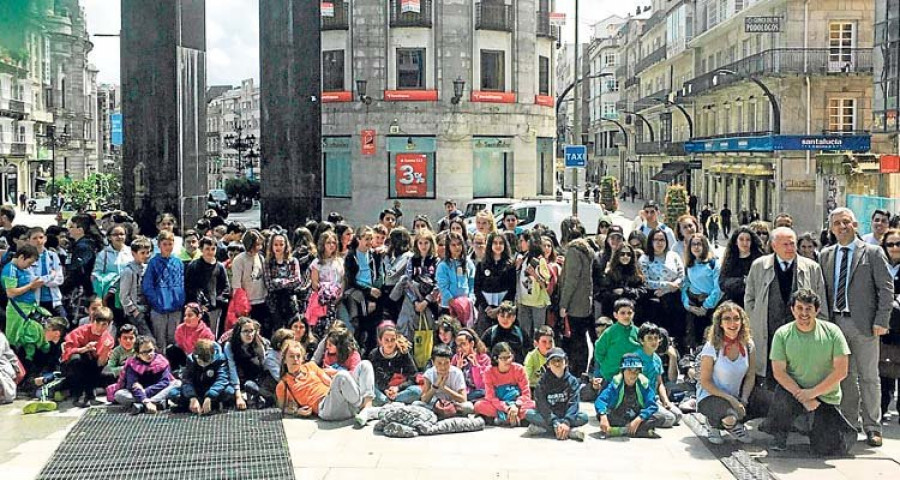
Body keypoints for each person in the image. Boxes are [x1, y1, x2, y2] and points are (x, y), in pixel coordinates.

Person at [820, 207, 893, 447]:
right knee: (845, 377)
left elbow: (886, 289)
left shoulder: (872, 253)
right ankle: (849, 423)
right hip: (836, 324)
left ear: (855, 225)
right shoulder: (826, 255)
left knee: (869, 377)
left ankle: (873, 426)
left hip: (865, 325)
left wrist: (882, 320)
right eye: (837, 223)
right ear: (831, 228)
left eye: (846, 222)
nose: (842, 226)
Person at [768, 289, 856, 455]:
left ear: (817, 310)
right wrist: (803, 396)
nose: (804, 313)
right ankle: (779, 436)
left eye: (808, 308)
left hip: (824, 396)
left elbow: (841, 371)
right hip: (794, 393)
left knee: (827, 449)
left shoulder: (833, 332)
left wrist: (813, 393)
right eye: (799, 308)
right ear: (792, 310)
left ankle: (812, 427)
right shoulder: (782, 334)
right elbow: (779, 372)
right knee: (781, 394)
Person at [745, 227, 827, 404]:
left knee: (798, 373)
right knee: (770, 373)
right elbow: (749, 297)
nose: (790, 247)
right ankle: (772, 416)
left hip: (800, 332)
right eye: (785, 244)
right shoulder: (759, 266)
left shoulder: (812, 267)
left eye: (792, 243)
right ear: (774, 245)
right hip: (768, 330)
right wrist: (755, 319)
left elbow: (821, 302)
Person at [275, 340, 377, 426]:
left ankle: (367, 407)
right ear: (284, 360)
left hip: (339, 399)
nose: (296, 359)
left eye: (298, 356)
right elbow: (282, 408)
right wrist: (297, 412)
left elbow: (329, 382)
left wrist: (344, 386)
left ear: (302, 358)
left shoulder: (311, 366)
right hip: (325, 408)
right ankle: (362, 406)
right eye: (291, 356)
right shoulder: (283, 384)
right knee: (342, 376)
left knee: (365, 364)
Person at [696, 303, 756, 444]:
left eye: (736, 318)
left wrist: (744, 399)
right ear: (720, 323)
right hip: (712, 395)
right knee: (729, 417)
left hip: (737, 394)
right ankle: (716, 423)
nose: (732, 323)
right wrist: (732, 400)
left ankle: (733, 419)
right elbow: (705, 382)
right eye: (727, 319)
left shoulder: (748, 345)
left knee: (768, 402)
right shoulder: (712, 346)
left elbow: (750, 375)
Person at [558, 216, 595, 376]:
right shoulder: (588, 249)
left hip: (575, 304)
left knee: (577, 339)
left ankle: (578, 371)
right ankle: (583, 370)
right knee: (583, 338)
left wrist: (563, 304)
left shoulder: (573, 251)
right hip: (586, 302)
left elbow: (571, 280)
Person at [525, 348, 588, 441]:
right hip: (549, 416)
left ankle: (545, 429)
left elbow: (574, 403)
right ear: (548, 365)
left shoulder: (573, 381)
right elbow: (542, 405)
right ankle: (569, 432)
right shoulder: (542, 382)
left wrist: (566, 422)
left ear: (566, 363)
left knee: (584, 417)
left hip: (565, 414)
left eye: (560, 360)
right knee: (529, 414)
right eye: (553, 361)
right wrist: (554, 421)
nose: (557, 364)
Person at [594, 353, 663, 438]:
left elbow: (652, 405)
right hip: (619, 417)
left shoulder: (643, 384)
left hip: (636, 417)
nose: (633, 374)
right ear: (623, 371)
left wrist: (639, 419)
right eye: (630, 370)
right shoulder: (616, 384)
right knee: (600, 415)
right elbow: (600, 400)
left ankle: (621, 431)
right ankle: (637, 431)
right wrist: (603, 416)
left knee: (660, 417)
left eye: (636, 370)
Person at [638, 227, 685, 346]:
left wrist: (667, 289)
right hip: (655, 299)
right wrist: (667, 285)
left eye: (662, 240)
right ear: (651, 241)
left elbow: (682, 275)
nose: (659, 243)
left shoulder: (673, 255)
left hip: (675, 296)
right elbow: (646, 281)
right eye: (656, 240)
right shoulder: (644, 259)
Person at [61, 306, 115, 407]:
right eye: (97, 324)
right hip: (73, 367)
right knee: (77, 359)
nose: (99, 328)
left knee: (108, 373)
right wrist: (84, 349)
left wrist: (105, 350)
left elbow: (100, 363)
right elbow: (67, 353)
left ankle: (91, 394)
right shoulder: (80, 332)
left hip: (92, 368)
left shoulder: (108, 339)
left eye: (104, 325)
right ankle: (79, 394)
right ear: (91, 321)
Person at [111, 336, 179, 414]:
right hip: (138, 394)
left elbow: (165, 382)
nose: (149, 354)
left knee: (177, 384)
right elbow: (132, 385)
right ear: (137, 354)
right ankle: (156, 403)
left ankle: (143, 405)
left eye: (150, 350)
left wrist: (145, 392)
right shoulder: (132, 364)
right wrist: (144, 399)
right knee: (119, 394)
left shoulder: (161, 361)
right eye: (144, 352)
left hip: (157, 391)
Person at [142, 230, 186, 350]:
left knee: (174, 340)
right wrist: (156, 302)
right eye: (164, 244)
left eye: (170, 244)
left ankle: (174, 366)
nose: (167, 247)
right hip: (159, 308)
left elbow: (182, 283)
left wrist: (180, 301)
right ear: (159, 245)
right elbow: (147, 286)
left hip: (176, 308)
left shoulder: (178, 262)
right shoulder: (153, 263)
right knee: (160, 341)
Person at [473, 342, 535, 427]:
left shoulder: (519, 369)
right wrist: (507, 408)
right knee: (479, 405)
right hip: (499, 405)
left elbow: (526, 393)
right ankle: (516, 419)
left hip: (517, 404)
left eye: (509, 357)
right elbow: (490, 397)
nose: (508, 360)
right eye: (504, 358)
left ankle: (502, 419)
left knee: (533, 405)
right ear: (496, 359)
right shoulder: (488, 372)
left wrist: (515, 406)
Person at [344, 226, 385, 353]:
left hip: (373, 292)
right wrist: (368, 291)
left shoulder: (374, 255)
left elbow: (380, 275)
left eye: (370, 239)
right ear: (358, 239)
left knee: (374, 325)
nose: (369, 242)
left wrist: (373, 293)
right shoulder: (351, 256)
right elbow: (351, 281)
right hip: (359, 292)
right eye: (366, 239)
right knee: (361, 324)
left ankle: (371, 351)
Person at [635, 322, 682, 428]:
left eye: (656, 338)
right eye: (649, 338)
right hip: (639, 400)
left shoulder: (656, 359)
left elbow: (660, 383)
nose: (654, 341)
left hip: (654, 398)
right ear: (641, 340)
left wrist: (665, 401)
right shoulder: (636, 358)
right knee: (670, 419)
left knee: (678, 416)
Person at [169, 338, 235, 414]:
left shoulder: (220, 359)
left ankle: (210, 404)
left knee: (229, 391)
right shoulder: (191, 360)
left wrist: (210, 396)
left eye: (207, 362)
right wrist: (192, 397)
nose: (203, 365)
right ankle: (197, 404)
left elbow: (222, 379)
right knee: (173, 393)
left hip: (213, 390)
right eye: (201, 362)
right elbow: (187, 380)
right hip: (197, 390)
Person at [681, 233, 722, 350]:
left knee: (711, 337)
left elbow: (717, 288)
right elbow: (685, 284)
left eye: (699, 244)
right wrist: (686, 304)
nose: (696, 247)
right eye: (693, 244)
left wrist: (705, 306)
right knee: (694, 339)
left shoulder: (714, 264)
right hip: (693, 304)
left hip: (709, 305)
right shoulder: (689, 265)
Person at [184, 236, 230, 336]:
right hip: (198, 309)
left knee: (213, 334)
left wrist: (216, 302)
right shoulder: (194, 266)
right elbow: (190, 287)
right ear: (201, 249)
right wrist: (199, 306)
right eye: (207, 249)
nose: (210, 252)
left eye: (213, 249)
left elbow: (226, 288)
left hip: (215, 308)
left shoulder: (220, 267)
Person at [474, 232, 517, 335]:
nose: (498, 246)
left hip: (504, 309)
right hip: (485, 309)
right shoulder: (482, 264)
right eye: (495, 243)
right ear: (490, 245)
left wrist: (499, 309)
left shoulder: (510, 265)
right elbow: (477, 289)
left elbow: (512, 290)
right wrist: (487, 307)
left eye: (501, 243)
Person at [3, 244, 44, 353]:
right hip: (17, 309)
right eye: (29, 263)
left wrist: (34, 287)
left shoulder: (24, 269)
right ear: (21, 257)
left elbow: (27, 287)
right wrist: (30, 286)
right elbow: (11, 293)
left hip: (29, 307)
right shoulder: (10, 270)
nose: (29, 266)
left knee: (29, 339)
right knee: (15, 339)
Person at [368, 322, 421, 406]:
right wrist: (386, 390)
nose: (389, 343)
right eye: (386, 340)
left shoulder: (403, 353)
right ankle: (389, 402)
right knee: (369, 390)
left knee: (416, 391)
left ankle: (388, 402)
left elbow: (413, 375)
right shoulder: (374, 354)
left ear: (396, 339)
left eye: (392, 340)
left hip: (399, 390)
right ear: (380, 340)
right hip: (382, 391)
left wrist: (397, 388)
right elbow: (373, 377)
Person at [414, 344, 474, 416]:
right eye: (439, 363)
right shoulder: (429, 373)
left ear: (450, 362)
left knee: (468, 406)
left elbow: (463, 399)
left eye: (446, 363)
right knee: (416, 404)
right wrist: (436, 385)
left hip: (453, 405)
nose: (443, 367)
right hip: (435, 405)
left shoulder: (457, 373)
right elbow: (424, 400)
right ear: (433, 362)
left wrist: (444, 388)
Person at [224, 317, 270, 410]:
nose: (249, 334)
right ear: (239, 333)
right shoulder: (229, 346)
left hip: (254, 378)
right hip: (236, 379)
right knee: (228, 393)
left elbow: (264, 365)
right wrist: (238, 397)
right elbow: (232, 370)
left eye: (251, 331)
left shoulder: (259, 343)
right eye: (245, 331)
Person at [263, 231, 303, 336]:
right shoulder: (268, 263)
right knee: (278, 328)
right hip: (274, 301)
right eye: (275, 244)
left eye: (281, 244)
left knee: (292, 326)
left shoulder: (293, 261)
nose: (278, 247)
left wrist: (279, 281)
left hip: (290, 299)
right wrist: (286, 281)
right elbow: (269, 284)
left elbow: (297, 280)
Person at [879, 229, 900, 423]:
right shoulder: (879, 266)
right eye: (890, 244)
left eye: (898, 244)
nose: (894, 248)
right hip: (884, 329)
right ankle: (882, 408)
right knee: (884, 372)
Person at [593, 299, 640, 384]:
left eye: (629, 313)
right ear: (615, 315)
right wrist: (606, 365)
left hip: (632, 375)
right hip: (611, 375)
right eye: (622, 313)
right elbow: (599, 350)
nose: (626, 316)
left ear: (633, 314)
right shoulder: (610, 332)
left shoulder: (638, 332)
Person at [232, 230, 269, 334]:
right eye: (257, 244)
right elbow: (236, 285)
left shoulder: (260, 257)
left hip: (262, 300)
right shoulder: (239, 260)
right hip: (247, 302)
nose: (259, 247)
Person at [514, 231, 551, 338]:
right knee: (524, 333)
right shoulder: (523, 258)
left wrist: (534, 274)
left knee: (538, 334)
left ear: (529, 242)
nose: (520, 244)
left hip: (537, 303)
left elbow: (545, 284)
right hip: (523, 301)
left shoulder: (540, 260)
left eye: (522, 241)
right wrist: (517, 267)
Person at [718, 227, 765, 308]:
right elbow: (722, 283)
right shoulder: (730, 259)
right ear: (736, 242)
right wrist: (742, 281)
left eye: (748, 240)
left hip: (755, 303)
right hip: (734, 303)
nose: (745, 242)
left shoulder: (760, 259)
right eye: (741, 239)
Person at [436, 231, 475, 326]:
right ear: (448, 247)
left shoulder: (467, 262)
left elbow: (471, 282)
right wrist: (452, 301)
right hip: (448, 306)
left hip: (465, 305)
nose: (457, 247)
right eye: (453, 245)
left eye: (459, 244)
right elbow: (443, 286)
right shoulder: (443, 265)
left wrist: (471, 298)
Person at [596, 245, 646, 318]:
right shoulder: (610, 273)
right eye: (622, 254)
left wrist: (625, 291)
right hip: (612, 312)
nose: (625, 256)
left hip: (632, 312)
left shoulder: (637, 273)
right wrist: (614, 294)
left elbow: (642, 291)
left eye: (629, 254)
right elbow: (602, 293)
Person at [29, 227, 67, 321]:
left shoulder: (53, 256)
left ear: (45, 239)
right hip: (36, 301)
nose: (38, 240)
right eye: (34, 238)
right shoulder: (27, 257)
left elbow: (59, 279)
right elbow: (32, 280)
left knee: (63, 324)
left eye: (41, 237)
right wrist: (50, 276)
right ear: (29, 240)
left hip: (54, 300)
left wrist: (43, 281)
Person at [119, 236, 153, 336]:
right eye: (142, 253)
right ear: (134, 253)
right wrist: (134, 310)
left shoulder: (147, 268)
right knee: (147, 336)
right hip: (136, 311)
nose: (146, 255)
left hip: (147, 309)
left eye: (148, 252)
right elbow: (124, 295)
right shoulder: (128, 271)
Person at [170, 303, 215, 371]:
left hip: (200, 360)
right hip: (187, 357)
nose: (186, 318)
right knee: (171, 349)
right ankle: (176, 372)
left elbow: (208, 354)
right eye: (185, 315)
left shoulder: (206, 333)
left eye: (190, 315)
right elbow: (180, 346)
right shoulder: (180, 329)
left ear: (199, 316)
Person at [451, 328, 490, 401]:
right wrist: (458, 369)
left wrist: (475, 366)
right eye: (458, 345)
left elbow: (481, 386)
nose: (460, 349)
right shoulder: (456, 358)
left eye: (463, 344)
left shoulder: (484, 358)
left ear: (471, 344)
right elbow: (452, 384)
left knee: (483, 393)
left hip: (477, 392)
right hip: (461, 393)